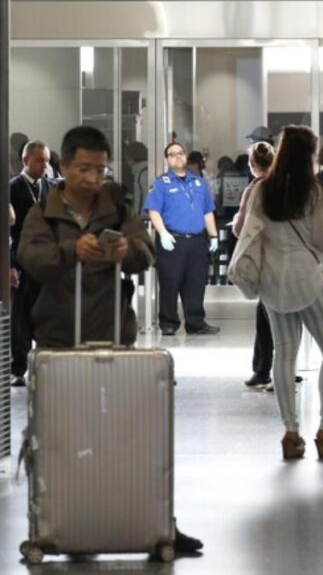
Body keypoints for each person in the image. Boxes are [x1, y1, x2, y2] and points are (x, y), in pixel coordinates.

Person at [17, 125, 203, 555]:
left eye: (99, 169)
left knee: (127, 436)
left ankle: (153, 522)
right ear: (63, 167)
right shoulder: (43, 213)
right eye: (83, 169)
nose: (92, 178)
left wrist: (127, 253)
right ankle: (54, 523)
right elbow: (30, 257)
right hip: (58, 342)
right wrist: (69, 252)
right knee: (59, 436)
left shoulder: (117, 206)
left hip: (113, 339)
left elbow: (145, 251)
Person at [248, 125, 323, 460]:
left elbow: (248, 231)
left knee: (285, 354)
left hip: (271, 282)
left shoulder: (263, 190)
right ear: (310, 154)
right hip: (306, 278)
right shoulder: (313, 193)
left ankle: (291, 434)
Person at [144, 142, 221, 336]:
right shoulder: (161, 184)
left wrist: (213, 235)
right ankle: (168, 322)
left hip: (196, 240)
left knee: (195, 283)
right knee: (170, 282)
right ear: (167, 159)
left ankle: (195, 322)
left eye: (181, 153)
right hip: (173, 240)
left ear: (185, 157)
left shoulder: (198, 182)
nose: (178, 157)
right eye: (172, 154)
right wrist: (162, 233)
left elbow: (207, 211)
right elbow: (153, 211)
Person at [232, 141, 276, 388]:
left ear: (252, 164)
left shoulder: (254, 189)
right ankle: (285, 366)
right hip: (290, 260)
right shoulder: (287, 185)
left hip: (265, 259)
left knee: (266, 316)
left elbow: (241, 229)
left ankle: (262, 369)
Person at [9, 140, 52, 387]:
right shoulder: (12, 188)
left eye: (46, 160)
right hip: (23, 261)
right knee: (21, 317)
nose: (44, 165)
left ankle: (46, 363)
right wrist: (11, 264)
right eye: (39, 160)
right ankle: (18, 368)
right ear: (25, 160)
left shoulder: (53, 188)